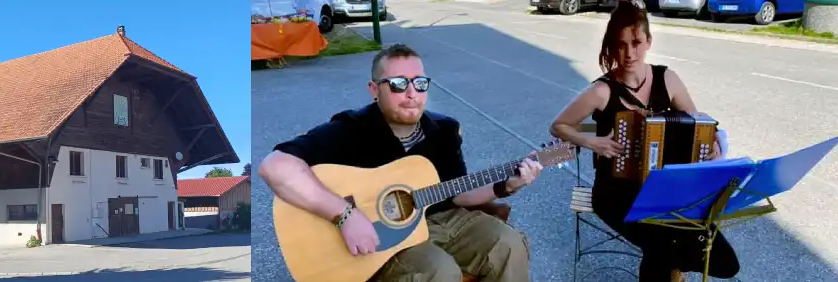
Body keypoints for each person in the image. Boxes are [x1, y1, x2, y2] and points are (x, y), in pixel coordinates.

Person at [259, 44, 540, 281]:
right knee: (439, 271)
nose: (411, 94)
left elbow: (458, 193)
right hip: (384, 239)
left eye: (419, 83)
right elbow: (275, 166)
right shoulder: (349, 130)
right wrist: (345, 215)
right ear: (374, 89)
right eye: (397, 84)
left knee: (510, 244)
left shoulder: (444, 130)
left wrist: (507, 184)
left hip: (443, 219)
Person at [548, 1, 734, 281]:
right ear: (612, 46)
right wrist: (592, 142)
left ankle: (674, 266)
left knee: (725, 263)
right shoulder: (601, 91)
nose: (629, 53)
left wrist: (715, 145)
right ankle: (672, 268)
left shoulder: (667, 79)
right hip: (615, 194)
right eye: (620, 45)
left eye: (635, 42)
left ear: (648, 41)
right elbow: (558, 126)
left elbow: (701, 124)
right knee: (660, 245)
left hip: (664, 189)